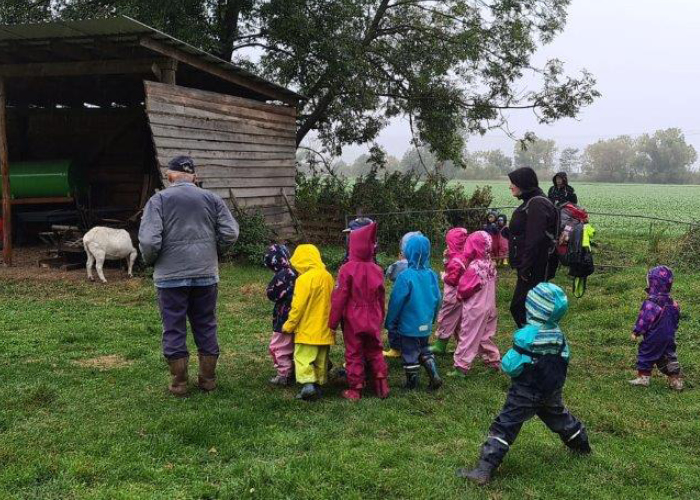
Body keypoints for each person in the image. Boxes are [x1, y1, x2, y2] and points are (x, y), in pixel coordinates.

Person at [457, 283, 591, 485]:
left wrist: (506, 363)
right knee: (560, 417)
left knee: (505, 425)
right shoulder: (558, 335)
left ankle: (484, 469)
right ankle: (582, 446)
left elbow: (512, 365)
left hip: (525, 392)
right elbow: (565, 357)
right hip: (551, 389)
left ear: (533, 310)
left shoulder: (525, 336)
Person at [139, 155, 239, 397]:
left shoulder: (159, 200)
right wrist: (214, 251)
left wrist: (152, 261)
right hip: (205, 274)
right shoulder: (212, 199)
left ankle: (179, 383)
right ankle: (207, 380)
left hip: (170, 276)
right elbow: (231, 233)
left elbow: (149, 241)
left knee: (173, 326)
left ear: (170, 175)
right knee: (206, 324)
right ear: (194, 177)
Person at [329, 222, 390, 400]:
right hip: (373, 317)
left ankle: (355, 388)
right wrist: (381, 317)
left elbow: (339, 297)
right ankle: (382, 384)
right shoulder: (378, 270)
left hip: (353, 320)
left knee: (354, 352)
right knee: (375, 349)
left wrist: (332, 322)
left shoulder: (346, 269)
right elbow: (381, 296)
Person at [385, 235, 443, 390]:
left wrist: (390, 321)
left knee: (409, 352)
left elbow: (396, 301)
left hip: (408, 325)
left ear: (408, 252)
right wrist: (432, 318)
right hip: (425, 322)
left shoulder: (405, 276)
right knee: (424, 347)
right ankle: (433, 373)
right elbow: (438, 298)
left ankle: (412, 382)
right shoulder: (431, 274)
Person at [507, 167, 559, 328]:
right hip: (532, 264)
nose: (510, 186)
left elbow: (534, 238)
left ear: (523, 184)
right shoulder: (533, 201)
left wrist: (525, 267)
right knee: (527, 307)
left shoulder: (537, 203)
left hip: (536, 265)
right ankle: (533, 342)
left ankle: (534, 341)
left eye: (513, 183)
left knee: (521, 307)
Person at [282, 244, 335, 401]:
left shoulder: (303, 280)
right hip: (325, 329)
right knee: (321, 360)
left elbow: (298, 306)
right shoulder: (328, 277)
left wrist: (289, 325)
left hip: (307, 330)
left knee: (303, 358)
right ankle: (318, 385)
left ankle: (308, 385)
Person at [449, 231, 500, 376]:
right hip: (490, 306)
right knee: (485, 335)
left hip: (475, 309)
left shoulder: (474, 267)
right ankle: (493, 360)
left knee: (468, 336)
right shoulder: (490, 264)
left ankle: (461, 367)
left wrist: (459, 294)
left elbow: (465, 288)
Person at [629, 266, 683, 391]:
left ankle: (643, 378)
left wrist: (636, 332)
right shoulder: (674, 303)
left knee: (646, 353)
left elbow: (644, 320)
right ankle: (676, 380)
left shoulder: (651, 303)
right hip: (669, 336)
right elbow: (676, 319)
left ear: (653, 283)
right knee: (669, 356)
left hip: (654, 337)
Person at [383, 230, 422, 358]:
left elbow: (390, 274)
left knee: (394, 323)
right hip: (417, 303)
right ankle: (417, 346)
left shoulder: (400, 265)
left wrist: (399, 261)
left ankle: (395, 348)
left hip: (401, 302)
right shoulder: (422, 266)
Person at [430, 227, 469, 355]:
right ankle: (462, 347)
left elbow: (453, 279)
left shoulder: (457, 261)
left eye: (448, 243)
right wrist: (447, 257)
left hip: (453, 296)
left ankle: (440, 346)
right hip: (461, 296)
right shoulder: (462, 256)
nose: (447, 245)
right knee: (459, 321)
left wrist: (444, 276)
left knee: (447, 318)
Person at [264, 244, 297, 387]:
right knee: (294, 344)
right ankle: (296, 369)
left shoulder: (282, 276)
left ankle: (284, 374)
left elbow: (272, 294)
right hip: (298, 314)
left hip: (284, 316)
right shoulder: (296, 272)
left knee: (279, 346)